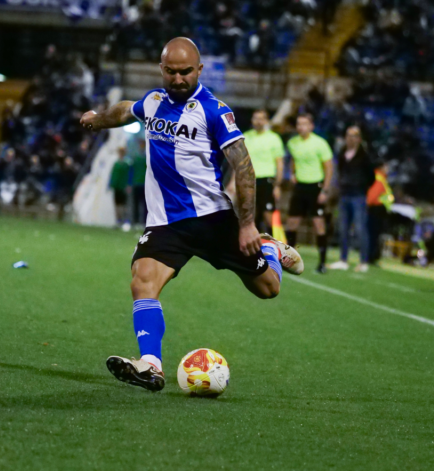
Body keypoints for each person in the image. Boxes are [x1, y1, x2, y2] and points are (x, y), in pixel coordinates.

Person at [80, 37, 304, 392]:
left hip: (213, 219)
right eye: (171, 71)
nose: (179, 78)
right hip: (167, 223)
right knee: (142, 280)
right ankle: (151, 365)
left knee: (268, 289)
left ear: (199, 70)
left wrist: (247, 225)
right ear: (162, 69)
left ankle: (271, 251)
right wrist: (98, 119)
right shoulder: (154, 102)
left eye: (186, 72)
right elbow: (125, 110)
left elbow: (243, 166)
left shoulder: (214, 110)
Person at [285, 113, 334, 273]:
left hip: (315, 187)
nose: (301, 127)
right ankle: (289, 260)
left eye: (304, 124)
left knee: (318, 225)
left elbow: (328, 167)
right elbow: (293, 159)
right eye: (299, 124)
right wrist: (292, 173)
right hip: (300, 186)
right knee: (292, 223)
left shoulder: (320, 143)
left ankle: (322, 263)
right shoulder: (293, 142)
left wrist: (325, 189)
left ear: (311, 126)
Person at [329, 126, 375, 272]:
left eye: (354, 135)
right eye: (348, 135)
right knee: (343, 228)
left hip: (358, 195)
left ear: (359, 139)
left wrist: (360, 186)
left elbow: (371, 177)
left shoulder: (364, 155)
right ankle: (343, 259)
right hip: (345, 194)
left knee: (360, 229)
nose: (350, 138)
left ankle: (363, 261)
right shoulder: (342, 153)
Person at [242, 109, 284, 233]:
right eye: (256, 118)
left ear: (266, 121)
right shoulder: (246, 136)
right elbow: (241, 161)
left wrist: (277, 185)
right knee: (251, 217)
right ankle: (253, 249)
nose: (258, 121)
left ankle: (272, 247)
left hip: (267, 180)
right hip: (249, 181)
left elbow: (279, 163)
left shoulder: (274, 138)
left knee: (268, 216)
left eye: (261, 118)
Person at [366, 162, 393, 264]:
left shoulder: (380, 178)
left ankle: (371, 255)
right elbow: (373, 196)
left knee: (374, 233)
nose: (388, 168)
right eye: (386, 166)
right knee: (373, 234)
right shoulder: (379, 178)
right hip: (376, 209)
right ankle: (371, 256)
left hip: (377, 209)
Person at [110, 147, 132, 229]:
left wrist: (128, 185)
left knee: (123, 205)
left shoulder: (127, 164)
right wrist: (111, 184)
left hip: (123, 186)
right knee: (117, 204)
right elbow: (113, 175)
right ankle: (118, 220)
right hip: (117, 186)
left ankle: (124, 220)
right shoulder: (116, 163)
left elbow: (129, 175)